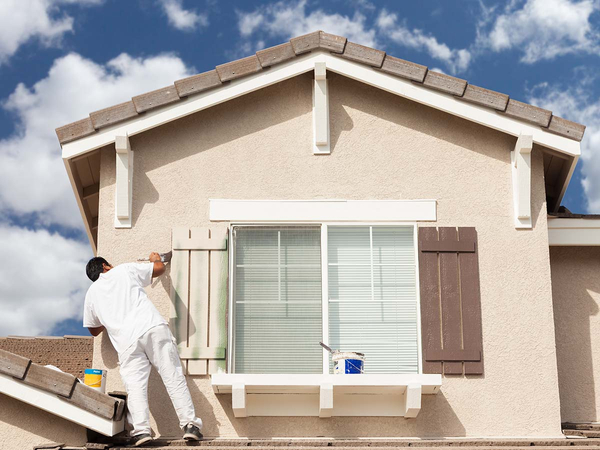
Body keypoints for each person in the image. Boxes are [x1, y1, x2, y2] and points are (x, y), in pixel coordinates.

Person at [83, 253, 203, 447]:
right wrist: (154, 258)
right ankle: (190, 425)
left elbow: (94, 329)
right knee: (172, 375)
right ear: (105, 266)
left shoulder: (91, 294)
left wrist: (109, 313)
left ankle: (141, 432)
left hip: (126, 342)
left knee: (135, 387)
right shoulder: (123, 269)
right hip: (151, 327)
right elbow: (159, 269)